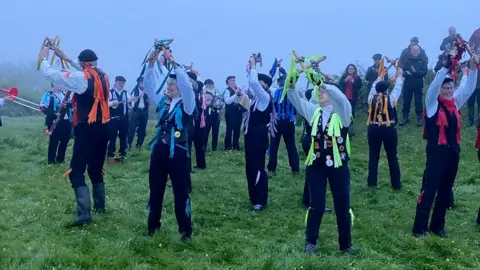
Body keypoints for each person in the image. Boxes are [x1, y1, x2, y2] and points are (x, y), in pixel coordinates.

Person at [39, 47, 111, 226]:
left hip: (87, 129)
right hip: (103, 128)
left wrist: (44, 60)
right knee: (95, 168)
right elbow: (81, 72)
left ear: (84, 64)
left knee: (77, 172)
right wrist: (65, 57)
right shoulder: (102, 75)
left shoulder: (82, 78)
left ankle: (84, 216)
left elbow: (53, 75)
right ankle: (100, 207)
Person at [412, 55, 478, 238]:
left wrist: (473, 67)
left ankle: (437, 226)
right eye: (445, 87)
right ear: (440, 89)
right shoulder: (432, 104)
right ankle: (419, 228)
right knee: (429, 189)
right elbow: (433, 88)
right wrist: (445, 69)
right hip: (436, 154)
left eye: (450, 87)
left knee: (445, 190)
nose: (448, 90)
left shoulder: (455, 103)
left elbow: (469, 87)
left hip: (453, 152)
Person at [287, 75, 354, 254]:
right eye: (320, 91)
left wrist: (324, 84)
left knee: (342, 205)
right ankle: (311, 242)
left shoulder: (343, 112)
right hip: (316, 165)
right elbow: (296, 100)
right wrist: (291, 85)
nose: (321, 93)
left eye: (324, 91)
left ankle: (345, 245)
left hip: (338, 167)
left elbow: (340, 98)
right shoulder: (314, 111)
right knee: (316, 205)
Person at [143, 50, 195, 241]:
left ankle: (185, 230)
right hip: (159, 151)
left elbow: (187, 87)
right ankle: (153, 227)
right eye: (169, 84)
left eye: (173, 84)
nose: (170, 86)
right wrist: (150, 64)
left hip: (179, 154)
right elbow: (149, 86)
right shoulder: (164, 103)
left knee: (181, 192)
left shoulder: (187, 103)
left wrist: (174, 64)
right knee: (155, 189)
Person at [243, 55, 274, 211]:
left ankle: (260, 199)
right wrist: (250, 69)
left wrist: (254, 66)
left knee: (258, 167)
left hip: (259, 135)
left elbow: (253, 83)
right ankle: (253, 196)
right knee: (249, 166)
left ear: (266, 85)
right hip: (250, 134)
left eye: (261, 83)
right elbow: (251, 83)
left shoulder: (265, 98)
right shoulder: (254, 99)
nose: (257, 86)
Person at [366, 68, 403, 190]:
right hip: (389, 129)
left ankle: (372, 183)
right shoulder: (391, 99)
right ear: (387, 89)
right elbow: (398, 88)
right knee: (392, 157)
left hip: (374, 128)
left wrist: (380, 76)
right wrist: (399, 77)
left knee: (373, 156)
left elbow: (372, 87)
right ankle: (396, 184)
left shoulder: (371, 98)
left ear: (376, 89)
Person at [300, 88, 331, 213]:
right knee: (317, 173)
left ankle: (307, 199)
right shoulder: (315, 108)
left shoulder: (309, 107)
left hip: (308, 139)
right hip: (314, 142)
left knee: (312, 172)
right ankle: (313, 201)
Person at [267, 68, 300, 174]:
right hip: (289, 122)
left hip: (277, 122)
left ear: (278, 83)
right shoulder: (292, 93)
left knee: (273, 146)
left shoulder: (274, 91)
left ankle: (271, 168)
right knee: (291, 145)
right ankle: (295, 168)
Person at [39, 83, 73, 164]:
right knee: (54, 141)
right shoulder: (48, 94)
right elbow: (43, 107)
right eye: (58, 83)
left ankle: (60, 160)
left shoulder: (66, 94)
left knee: (65, 141)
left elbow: (72, 105)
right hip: (55, 121)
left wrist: (68, 105)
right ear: (53, 85)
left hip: (66, 120)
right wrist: (54, 113)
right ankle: (51, 161)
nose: (61, 85)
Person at [399, 45, 428, 127]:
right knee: (406, 101)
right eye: (414, 50)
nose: (415, 51)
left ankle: (419, 118)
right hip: (408, 83)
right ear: (411, 51)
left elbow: (424, 72)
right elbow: (404, 71)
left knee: (418, 101)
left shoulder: (423, 61)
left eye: (417, 50)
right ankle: (405, 117)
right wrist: (405, 73)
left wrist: (415, 73)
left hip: (418, 84)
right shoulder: (407, 60)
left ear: (419, 51)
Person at [107, 76, 130, 162]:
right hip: (113, 119)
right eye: (120, 82)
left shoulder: (126, 93)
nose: (122, 84)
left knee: (123, 137)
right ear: (116, 82)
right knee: (112, 137)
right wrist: (113, 103)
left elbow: (130, 106)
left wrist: (131, 102)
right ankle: (110, 155)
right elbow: (106, 103)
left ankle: (122, 154)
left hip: (124, 119)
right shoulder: (110, 92)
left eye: (123, 83)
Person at [188, 75, 206, 170]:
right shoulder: (201, 94)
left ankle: (188, 166)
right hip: (200, 121)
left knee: (188, 144)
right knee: (199, 144)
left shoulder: (192, 93)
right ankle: (201, 164)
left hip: (193, 120)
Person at [339, 64, 363, 136]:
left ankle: (350, 129)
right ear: (347, 70)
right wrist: (346, 80)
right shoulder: (344, 77)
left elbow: (359, 86)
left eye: (352, 69)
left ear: (354, 70)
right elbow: (340, 84)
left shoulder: (357, 78)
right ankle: (343, 129)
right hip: (345, 98)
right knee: (344, 113)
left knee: (351, 113)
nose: (351, 70)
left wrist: (352, 81)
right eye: (349, 69)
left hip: (353, 98)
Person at [127, 76, 149, 148]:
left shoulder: (147, 90)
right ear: (138, 83)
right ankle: (129, 143)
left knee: (142, 128)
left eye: (144, 82)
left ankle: (139, 144)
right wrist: (139, 96)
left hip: (144, 111)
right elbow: (132, 101)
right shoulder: (134, 90)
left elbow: (150, 101)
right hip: (136, 111)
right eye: (141, 82)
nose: (142, 84)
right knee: (132, 128)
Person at [223, 76, 244, 150]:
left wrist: (240, 93)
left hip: (238, 113)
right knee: (229, 130)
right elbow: (227, 101)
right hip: (230, 113)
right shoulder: (227, 91)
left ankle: (236, 146)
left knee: (237, 130)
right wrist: (235, 94)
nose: (233, 82)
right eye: (231, 81)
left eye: (234, 80)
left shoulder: (238, 89)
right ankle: (227, 147)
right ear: (228, 82)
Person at [203, 79, 224, 151]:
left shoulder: (216, 91)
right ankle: (204, 147)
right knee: (206, 131)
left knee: (215, 131)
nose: (210, 85)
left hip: (216, 113)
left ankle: (214, 148)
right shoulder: (204, 92)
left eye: (211, 84)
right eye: (209, 84)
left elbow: (221, 102)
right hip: (208, 113)